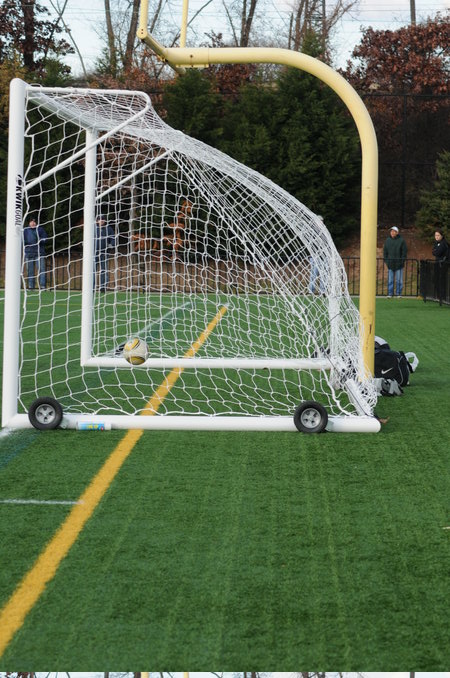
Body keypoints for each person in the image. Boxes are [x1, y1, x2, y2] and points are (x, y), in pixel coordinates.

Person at [23, 217, 48, 289]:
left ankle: (42, 286)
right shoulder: (25, 230)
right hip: (29, 253)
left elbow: (45, 239)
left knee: (41, 270)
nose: (33, 223)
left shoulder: (40, 229)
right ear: (29, 223)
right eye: (31, 221)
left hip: (39, 253)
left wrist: (39, 240)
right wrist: (28, 242)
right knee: (30, 271)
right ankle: (31, 286)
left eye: (34, 222)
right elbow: (22, 240)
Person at [383, 226, 407, 297]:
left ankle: (398, 293)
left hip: (399, 264)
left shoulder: (401, 240)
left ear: (397, 232)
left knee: (399, 280)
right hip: (390, 263)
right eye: (391, 231)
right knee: (390, 280)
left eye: (394, 231)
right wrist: (387, 261)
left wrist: (402, 261)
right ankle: (390, 293)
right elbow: (385, 252)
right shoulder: (387, 240)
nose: (392, 232)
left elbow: (404, 252)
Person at [95, 217, 116, 291]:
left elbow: (113, 238)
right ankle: (92, 287)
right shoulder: (93, 229)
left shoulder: (109, 229)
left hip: (104, 253)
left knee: (103, 270)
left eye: (103, 219)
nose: (102, 221)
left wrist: (111, 244)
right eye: (100, 219)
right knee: (93, 270)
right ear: (97, 221)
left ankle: (103, 287)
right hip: (94, 253)